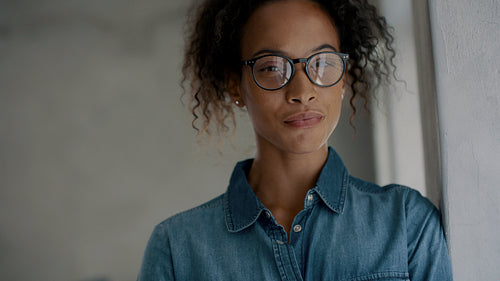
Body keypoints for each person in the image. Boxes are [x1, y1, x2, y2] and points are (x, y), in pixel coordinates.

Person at [137, 0, 453, 280]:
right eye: (273, 67)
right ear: (236, 85)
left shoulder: (407, 223)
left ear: (344, 78)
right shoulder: (177, 249)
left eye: (323, 62)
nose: (302, 92)